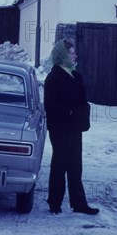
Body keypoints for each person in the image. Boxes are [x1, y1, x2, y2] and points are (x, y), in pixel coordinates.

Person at [44, 39, 99, 216]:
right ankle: (54, 202)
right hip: (60, 129)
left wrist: (81, 112)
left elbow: (81, 100)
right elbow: (51, 107)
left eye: (74, 52)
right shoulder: (54, 78)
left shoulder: (75, 75)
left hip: (74, 127)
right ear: (63, 55)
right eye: (72, 52)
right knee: (60, 164)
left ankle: (79, 203)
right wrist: (71, 111)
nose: (75, 55)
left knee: (75, 165)